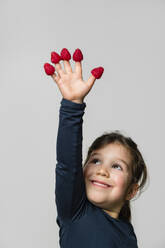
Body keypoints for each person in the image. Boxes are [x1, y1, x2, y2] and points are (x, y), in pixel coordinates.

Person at [49, 48, 148, 247]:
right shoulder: (75, 211)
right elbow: (68, 165)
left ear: (131, 190)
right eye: (95, 160)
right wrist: (72, 104)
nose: (102, 170)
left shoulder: (128, 237)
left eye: (117, 166)